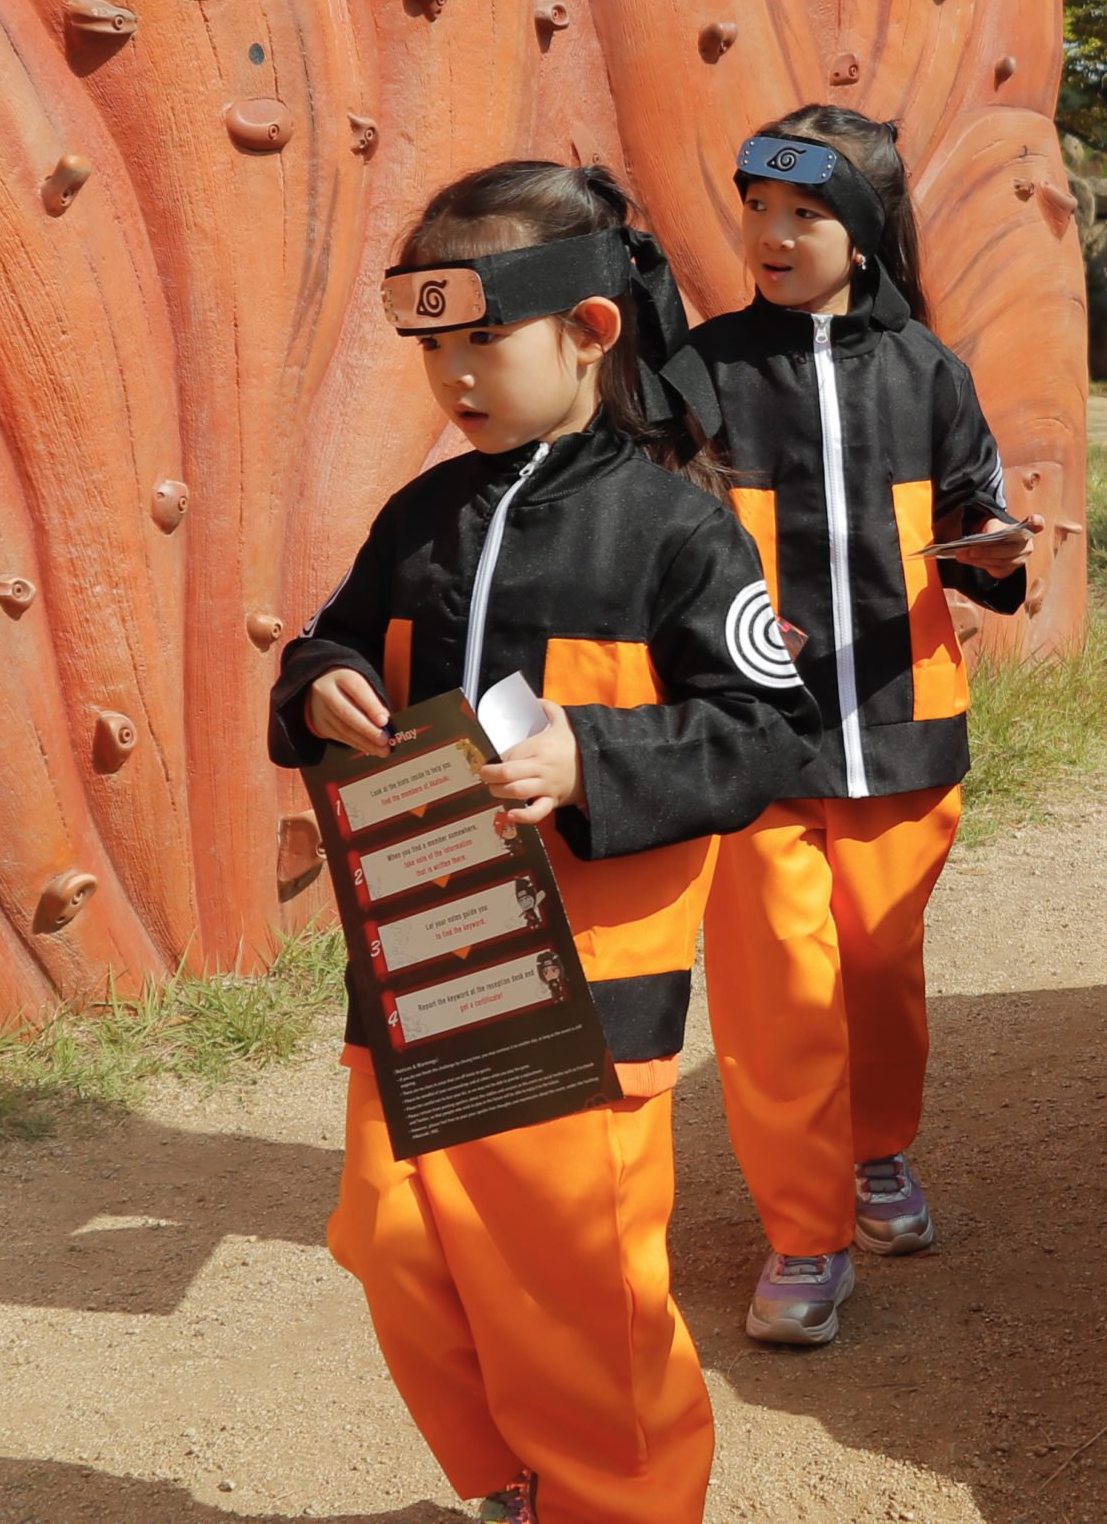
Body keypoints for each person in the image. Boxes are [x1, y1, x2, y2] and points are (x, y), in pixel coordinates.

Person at [269, 161, 815, 1524]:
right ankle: (520, 1481)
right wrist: (321, 683)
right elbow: (327, 640)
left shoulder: (682, 534)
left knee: (578, 1302)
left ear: (588, 329)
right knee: (393, 1242)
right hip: (420, 958)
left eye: (480, 342)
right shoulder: (418, 515)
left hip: (587, 996)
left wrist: (598, 758)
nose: (452, 377)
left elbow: (765, 735)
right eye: (431, 347)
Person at [692, 105, 1036, 1345]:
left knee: (876, 965)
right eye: (757, 209)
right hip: (748, 734)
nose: (773, 236)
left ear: (867, 230)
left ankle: (878, 1151)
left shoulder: (929, 371)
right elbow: (666, 535)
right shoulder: (703, 368)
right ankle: (802, 1231)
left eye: (805, 212)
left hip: (902, 721)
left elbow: (975, 521)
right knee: (776, 982)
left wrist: (996, 551)